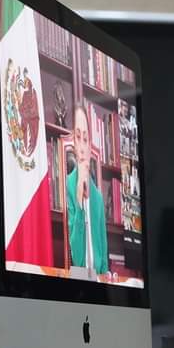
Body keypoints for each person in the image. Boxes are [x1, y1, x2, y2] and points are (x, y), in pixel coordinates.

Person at [67, 103, 109, 280]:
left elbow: (104, 254)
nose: (82, 146)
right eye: (78, 137)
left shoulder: (98, 198)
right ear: (74, 143)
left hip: (99, 278)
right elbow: (76, 256)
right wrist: (79, 203)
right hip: (79, 276)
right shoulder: (68, 184)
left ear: (90, 146)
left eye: (85, 138)